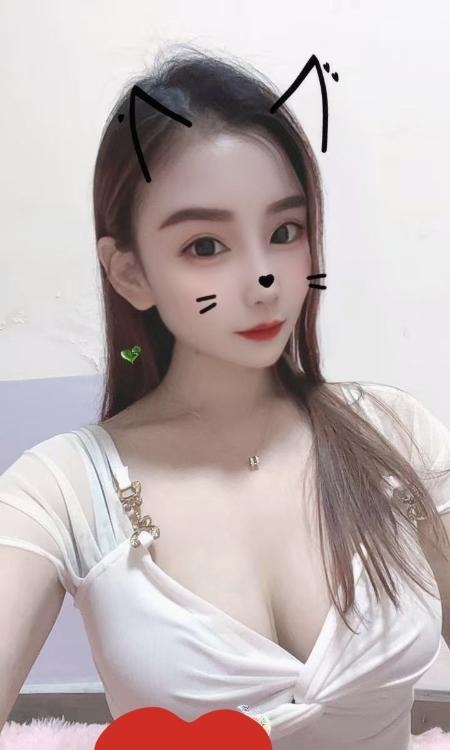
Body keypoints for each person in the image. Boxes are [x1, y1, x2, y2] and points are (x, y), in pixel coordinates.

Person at [1, 44, 450, 749]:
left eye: (285, 232)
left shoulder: (397, 432)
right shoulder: (60, 490)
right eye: (206, 246)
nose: (263, 280)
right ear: (130, 273)